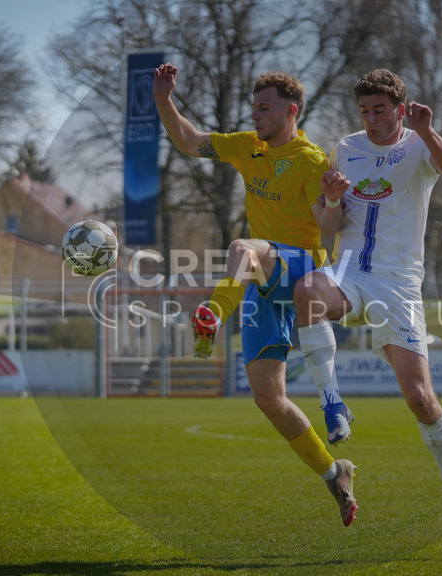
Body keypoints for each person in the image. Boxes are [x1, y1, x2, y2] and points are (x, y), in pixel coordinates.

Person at [152, 63, 357, 527]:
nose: (256, 115)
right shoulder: (248, 146)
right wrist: (164, 99)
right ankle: (334, 473)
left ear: (291, 111)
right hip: (263, 278)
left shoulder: (309, 159)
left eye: (264, 108)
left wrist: (329, 200)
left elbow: (330, 228)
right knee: (268, 397)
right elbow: (188, 140)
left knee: (243, 246)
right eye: (254, 108)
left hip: (303, 267)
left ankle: (212, 314)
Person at [293, 69, 442, 538]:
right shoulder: (346, 148)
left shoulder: (419, 145)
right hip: (350, 271)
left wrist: (427, 129)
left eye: (380, 110)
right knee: (306, 291)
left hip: (399, 285)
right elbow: (330, 228)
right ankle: (332, 401)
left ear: (400, 109)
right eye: (365, 110)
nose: (371, 119)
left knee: (420, 398)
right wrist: (333, 201)